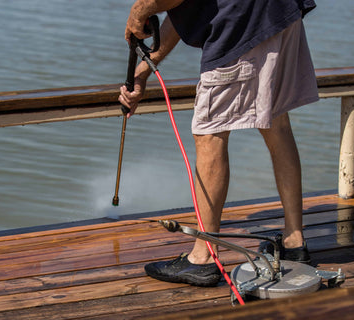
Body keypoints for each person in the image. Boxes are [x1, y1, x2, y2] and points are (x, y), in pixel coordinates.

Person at [119, 0, 319, 287]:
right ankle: (294, 242)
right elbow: (185, 9)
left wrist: (140, 10)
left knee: (210, 134)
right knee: (276, 121)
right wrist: (144, 71)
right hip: (279, 14)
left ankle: (203, 257)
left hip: (242, 22)